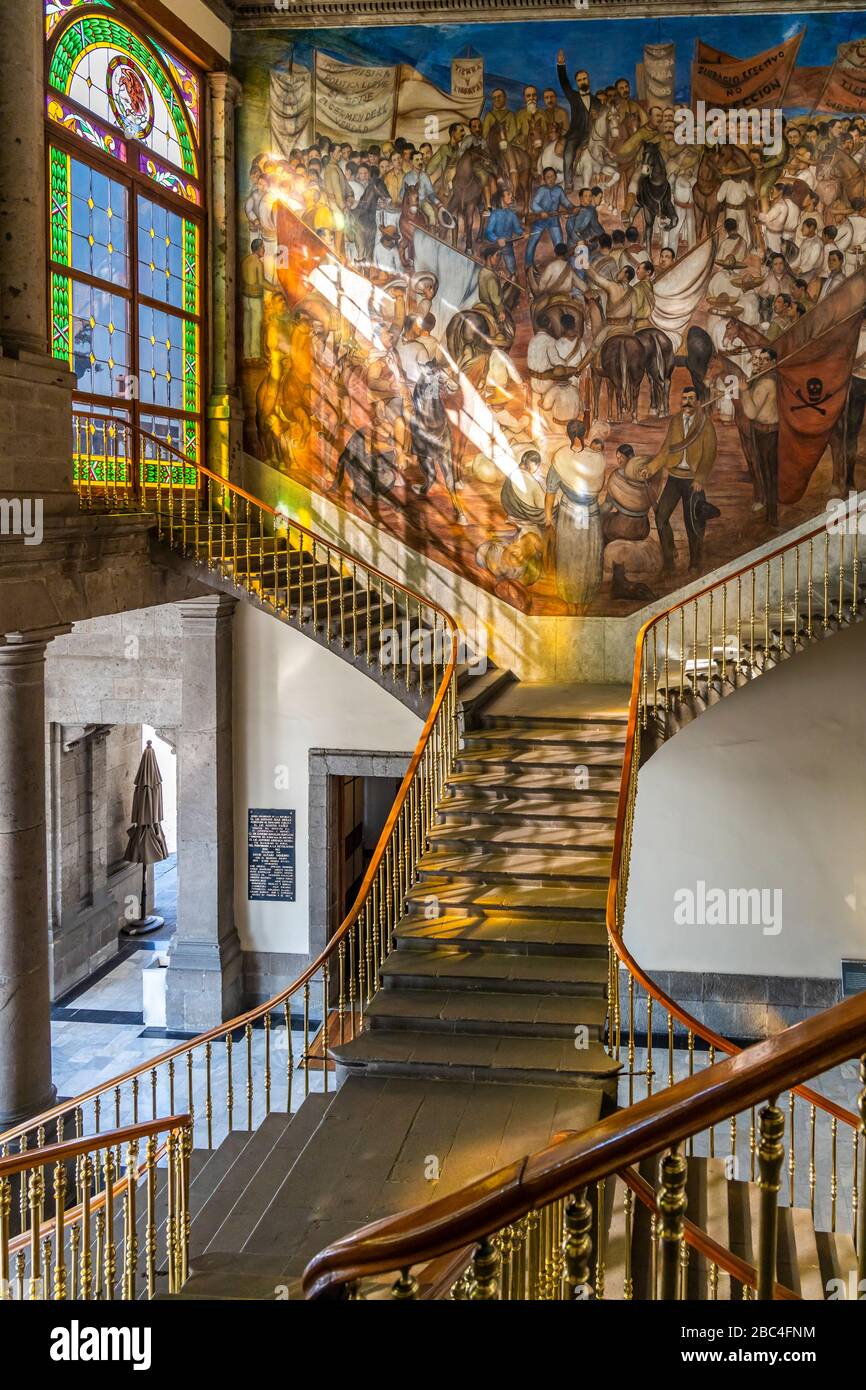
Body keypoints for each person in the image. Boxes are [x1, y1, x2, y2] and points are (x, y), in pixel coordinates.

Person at [641, 386, 718, 573]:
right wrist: (650, 468)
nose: (687, 402)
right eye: (684, 398)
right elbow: (667, 449)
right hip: (674, 478)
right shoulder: (675, 421)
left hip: (693, 481)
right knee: (660, 518)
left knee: (693, 523)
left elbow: (709, 454)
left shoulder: (705, 424)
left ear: (698, 402)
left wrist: (700, 478)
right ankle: (669, 559)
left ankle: (695, 562)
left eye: (691, 398)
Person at [544, 418, 606, 606]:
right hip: (592, 514)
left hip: (569, 513)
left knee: (569, 555)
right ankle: (587, 597)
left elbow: (550, 492)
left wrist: (548, 519)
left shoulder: (561, 457)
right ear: (585, 434)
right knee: (589, 555)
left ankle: (570, 596)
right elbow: (599, 486)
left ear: (568, 435)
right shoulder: (597, 457)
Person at [739, 347, 779, 527]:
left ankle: (772, 516)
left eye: (762, 360)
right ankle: (770, 512)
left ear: (772, 363)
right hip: (762, 431)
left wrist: (744, 391)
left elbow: (751, 412)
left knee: (769, 473)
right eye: (755, 358)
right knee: (766, 471)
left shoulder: (766, 383)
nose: (756, 362)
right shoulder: (762, 378)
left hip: (767, 433)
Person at [556, 53, 600, 190]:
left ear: (589, 80)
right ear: (577, 83)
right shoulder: (573, 96)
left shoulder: (597, 101)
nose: (582, 82)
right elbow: (564, 83)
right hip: (576, 134)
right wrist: (561, 65)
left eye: (584, 79)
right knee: (569, 151)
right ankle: (568, 182)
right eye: (580, 80)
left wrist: (596, 116)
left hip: (591, 134)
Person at [525, 167, 573, 268]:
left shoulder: (559, 190)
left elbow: (566, 203)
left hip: (553, 222)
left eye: (552, 177)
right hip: (539, 222)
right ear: (544, 179)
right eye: (548, 177)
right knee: (532, 242)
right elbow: (533, 204)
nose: (550, 179)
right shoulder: (541, 190)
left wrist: (571, 208)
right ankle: (528, 265)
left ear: (555, 177)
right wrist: (541, 212)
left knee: (560, 244)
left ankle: (562, 266)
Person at [482, 188, 524, 275]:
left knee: (513, 272)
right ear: (501, 198)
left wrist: (523, 233)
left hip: (508, 247)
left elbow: (517, 229)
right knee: (491, 271)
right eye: (508, 194)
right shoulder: (495, 214)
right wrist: (497, 239)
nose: (511, 196)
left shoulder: (512, 215)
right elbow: (488, 232)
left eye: (511, 194)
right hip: (495, 247)